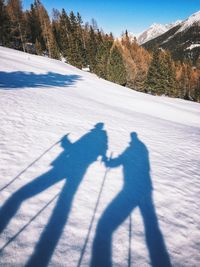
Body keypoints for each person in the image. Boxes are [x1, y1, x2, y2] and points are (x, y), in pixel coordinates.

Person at [0, 123, 108, 267]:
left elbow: (75, 148)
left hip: (66, 166)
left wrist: (64, 142)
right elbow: (100, 151)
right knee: (67, 197)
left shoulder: (93, 135)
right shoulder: (103, 138)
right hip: (78, 170)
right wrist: (103, 157)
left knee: (24, 194)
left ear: (96, 127)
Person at [91, 132, 171, 267]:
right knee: (151, 224)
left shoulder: (132, 150)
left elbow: (118, 161)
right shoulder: (143, 149)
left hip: (132, 190)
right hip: (145, 188)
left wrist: (107, 162)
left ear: (132, 139)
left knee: (105, 225)